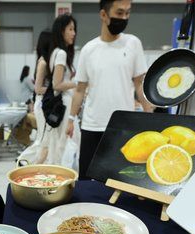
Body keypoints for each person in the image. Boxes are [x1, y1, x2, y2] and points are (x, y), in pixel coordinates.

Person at [66, 0, 153, 179]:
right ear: (103, 15)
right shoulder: (89, 50)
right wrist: (70, 119)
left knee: (121, 181)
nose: (124, 18)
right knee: (87, 181)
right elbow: (80, 90)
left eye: (128, 13)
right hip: (93, 125)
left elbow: (139, 84)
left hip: (123, 126)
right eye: (119, 13)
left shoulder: (133, 43)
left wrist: (149, 113)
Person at [37, 14, 79, 165]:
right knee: (64, 146)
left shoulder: (56, 52)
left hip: (63, 104)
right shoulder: (60, 53)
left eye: (74, 29)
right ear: (61, 31)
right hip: (64, 104)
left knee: (59, 146)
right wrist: (77, 84)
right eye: (70, 29)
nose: (74, 33)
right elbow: (57, 84)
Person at [17, 29, 51, 162]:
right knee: (43, 140)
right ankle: (25, 162)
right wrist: (56, 89)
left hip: (42, 102)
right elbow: (37, 89)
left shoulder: (46, 60)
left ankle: (31, 164)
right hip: (42, 103)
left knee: (44, 140)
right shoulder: (43, 62)